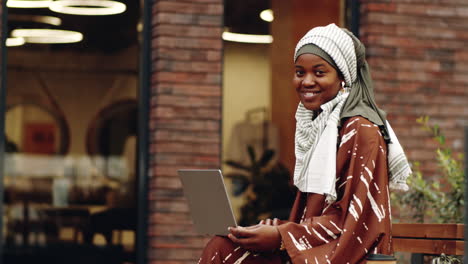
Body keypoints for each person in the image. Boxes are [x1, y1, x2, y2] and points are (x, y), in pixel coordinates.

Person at [199, 23, 411, 264]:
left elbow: (356, 223)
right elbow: (314, 218)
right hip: (311, 247)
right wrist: (277, 230)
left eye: (319, 72)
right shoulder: (323, 126)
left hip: (349, 256)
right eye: (300, 72)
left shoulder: (361, 130)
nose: (306, 82)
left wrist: (281, 236)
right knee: (223, 246)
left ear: (343, 77)